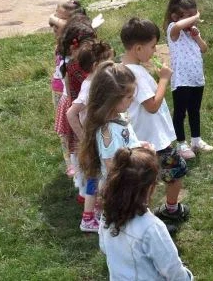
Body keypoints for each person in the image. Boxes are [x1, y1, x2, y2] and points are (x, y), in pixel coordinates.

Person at [120, 17, 190, 230]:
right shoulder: (137, 75)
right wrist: (164, 79)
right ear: (138, 48)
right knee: (175, 173)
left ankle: (142, 217)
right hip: (154, 141)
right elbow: (152, 105)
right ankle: (169, 210)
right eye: (152, 47)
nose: (154, 51)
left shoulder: (123, 69)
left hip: (141, 138)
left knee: (143, 181)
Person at [99, 147, 193, 281]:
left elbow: (104, 247)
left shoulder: (107, 214)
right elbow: (172, 270)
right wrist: (187, 277)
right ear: (149, 188)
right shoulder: (152, 227)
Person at [65, 39, 114, 233]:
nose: (113, 65)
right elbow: (71, 113)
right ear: (95, 66)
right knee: (97, 177)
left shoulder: (95, 83)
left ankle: (94, 213)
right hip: (94, 140)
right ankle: (89, 217)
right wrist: (84, 136)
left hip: (97, 138)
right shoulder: (90, 87)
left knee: (95, 176)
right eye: (108, 62)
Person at [164, 0, 212, 159]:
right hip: (181, 79)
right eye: (189, 16)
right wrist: (196, 16)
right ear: (175, 16)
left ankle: (196, 140)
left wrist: (197, 37)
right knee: (180, 112)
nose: (193, 20)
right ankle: (181, 144)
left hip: (196, 78)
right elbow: (178, 26)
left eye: (194, 15)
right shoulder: (173, 29)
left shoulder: (192, 32)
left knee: (194, 110)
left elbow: (204, 49)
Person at [53, 14, 97, 186]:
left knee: (79, 150)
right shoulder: (76, 66)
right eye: (89, 45)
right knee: (82, 149)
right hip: (78, 112)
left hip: (78, 108)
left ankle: (83, 186)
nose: (92, 50)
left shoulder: (72, 62)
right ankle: (85, 185)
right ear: (75, 47)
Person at [49, 0, 86, 175]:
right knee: (64, 131)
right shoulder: (61, 43)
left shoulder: (79, 43)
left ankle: (80, 159)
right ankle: (70, 162)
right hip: (59, 90)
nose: (55, 23)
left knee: (77, 127)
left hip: (75, 93)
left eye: (60, 19)